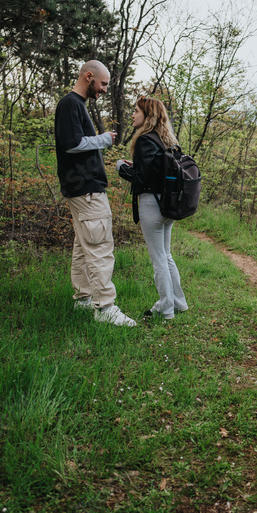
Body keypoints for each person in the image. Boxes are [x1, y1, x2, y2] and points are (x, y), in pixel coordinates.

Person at [54, 60, 136, 327]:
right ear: (88, 76)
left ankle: (83, 301)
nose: (103, 90)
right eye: (102, 84)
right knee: (100, 246)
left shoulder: (76, 105)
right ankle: (105, 308)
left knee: (83, 245)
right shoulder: (70, 104)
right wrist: (103, 139)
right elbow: (71, 144)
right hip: (86, 190)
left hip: (81, 190)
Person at [117, 95, 189, 322]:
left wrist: (122, 168)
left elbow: (142, 178)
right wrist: (136, 165)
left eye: (136, 111)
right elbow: (154, 170)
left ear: (147, 116)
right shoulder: (165, 139)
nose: (132, 114)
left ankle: (166, 311)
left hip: (151, 204)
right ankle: (178, 303)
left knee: (159, 259)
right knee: (166, 256)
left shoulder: (144, 140)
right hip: (167, 204)